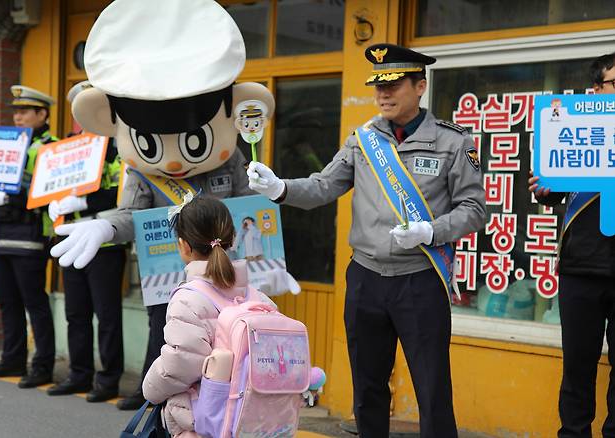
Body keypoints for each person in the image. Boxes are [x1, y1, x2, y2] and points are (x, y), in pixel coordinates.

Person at [247, 44, 486, 438]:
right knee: (368, 387)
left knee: (432, 388)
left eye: (393, 85)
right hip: (366, 279)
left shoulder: (453, 142)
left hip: (420, 279)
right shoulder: (363, 140)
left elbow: (474, 209)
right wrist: (278, 188)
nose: (383, 94)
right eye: (378, 85)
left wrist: (432, 231)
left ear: (420, 86)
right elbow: (323, 186)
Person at [528, 52, 615, 438]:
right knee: (578, 367)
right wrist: (544, 185)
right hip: (581, 269)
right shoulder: (576, 127)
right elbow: (551, 187)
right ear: (597, 90)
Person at [142, 195, 274, 437]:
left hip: (205, 420)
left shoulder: (188, 299)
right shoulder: (259, 299)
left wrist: (150, 389)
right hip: (256, 421)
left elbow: (179, 364)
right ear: (232, 239)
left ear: (183, 245)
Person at [45, 81, 127, 402]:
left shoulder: (116, 147)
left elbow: (122, 193)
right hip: (70, 240)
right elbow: (48, 185)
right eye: (76, 109)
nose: (80, 116)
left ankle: (108, 381)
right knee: (75, 312)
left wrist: (83, 204)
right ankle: (79, 374)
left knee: (107, 315)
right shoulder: (66, 147)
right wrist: (51, 201)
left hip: (105, 241)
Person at [0, 85, 59, 388]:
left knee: (33, 301)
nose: (18, 116)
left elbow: (49, 192)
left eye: (25, 111)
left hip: (30, 233)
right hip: (1, 233)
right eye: (16, 111)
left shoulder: (53, 147)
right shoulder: (4, 142)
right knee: (7, 301)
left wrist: (10, 199)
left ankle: (42, 365)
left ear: (42, 113)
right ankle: (12, 358)